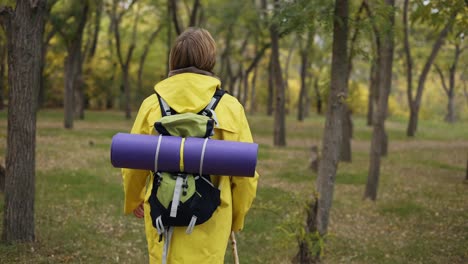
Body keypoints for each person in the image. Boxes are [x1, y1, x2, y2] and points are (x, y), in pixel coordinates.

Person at [122, 27, 259, 263]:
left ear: (174, 60)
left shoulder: (151, 105)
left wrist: (133, 198)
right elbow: (245, 177)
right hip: (212, 219)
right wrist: (236, 218)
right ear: (210, 59)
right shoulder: (230, 107)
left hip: (163, 217)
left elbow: (134, 163)